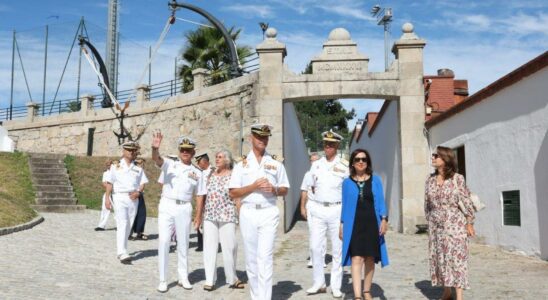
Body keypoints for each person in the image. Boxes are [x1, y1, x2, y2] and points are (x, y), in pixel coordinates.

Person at [229, 123, 290, 300]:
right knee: (251, 259)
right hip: (248, 212)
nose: (263, 140)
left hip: (268, 211)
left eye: (265, 137)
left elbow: (285, 188)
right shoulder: (241, 164)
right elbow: (233, 192)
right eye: (259, 137)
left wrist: (275, 189)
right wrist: (253, 186)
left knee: (265, 258)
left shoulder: (275, 163)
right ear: (251, 139)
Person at [152, 131, 207, 293]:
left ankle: (183, 277)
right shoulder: (170, 163)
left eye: (188, 150)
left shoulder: (198, 172)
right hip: (167, 205)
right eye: (182, 149)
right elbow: (157, 159)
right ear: (178, 150)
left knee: (183, 243)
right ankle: (163, 279)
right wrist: (155, 148)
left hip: (184, 207)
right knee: (164, 241)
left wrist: (198, 216)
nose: (185, 152)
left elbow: (200, 195)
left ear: (193, 152)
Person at [424, 146, 476, 300]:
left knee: (457, 259)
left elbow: (467, 201)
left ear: (445, 159)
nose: (433, 158)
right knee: (441, 258)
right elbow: (426, 203)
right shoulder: (430, 180)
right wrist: (430, 221)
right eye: (433, 155)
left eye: (436, 156)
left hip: (455, 226)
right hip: (436, 226)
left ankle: (459, 296)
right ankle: (447, 292)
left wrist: (469, 222)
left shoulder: (457, 178)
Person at [340, 149, 389, 300]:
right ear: (352, 163)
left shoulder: (376, 180)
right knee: (356, 258)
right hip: (354, 225)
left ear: (367, 162)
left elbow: (381, 201)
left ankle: (366, 291)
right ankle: (357, 295)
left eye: (364, 159)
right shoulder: (346, 183)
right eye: (357, 159)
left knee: (369, 258)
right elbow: (345, 205)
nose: (361, 162)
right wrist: (341, 224)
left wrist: (384, 219)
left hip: (371, 224)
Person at [306, 130, 348, 298]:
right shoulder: (316, 164)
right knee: (315, 247)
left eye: (331, 145)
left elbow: (348, 191)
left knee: (337, 249)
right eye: (325, 144)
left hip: (337, 210)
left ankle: (336, 285)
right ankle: (319, 282)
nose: (328, 147)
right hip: (318, 209)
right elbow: (311, 185)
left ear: (337, 146)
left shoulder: (344, 166)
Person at [197, 149, 244, 291]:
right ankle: (210, 280)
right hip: (210, 215)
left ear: (227, 160)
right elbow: (202, 194)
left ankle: (232, 278)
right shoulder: (210, 174)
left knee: (229, 247)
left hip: (227, 215)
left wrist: (241, 214)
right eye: (216, 157)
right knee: (209, 247)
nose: (217, 159)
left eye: (220, 157)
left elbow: (236, 197)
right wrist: (199, 215)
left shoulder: (233, 175)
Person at [104, 141, 149, 264]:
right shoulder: (116, 165)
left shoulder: (138, 167)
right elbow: (109, 183)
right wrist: (107, 199)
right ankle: (122, 252)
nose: (132, 152)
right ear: (123, 151)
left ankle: (123, 249)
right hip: (119, 197)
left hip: (133, 198)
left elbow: (143, 183)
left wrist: (139, 192)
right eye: (129, 150)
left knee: (128, 224)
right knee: (122, 223)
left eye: (134, 150)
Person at [299, 153, 326, 268]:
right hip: (312, 206)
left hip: (323, 206)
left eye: (315, 160)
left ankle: (322, 259)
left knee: (323, 234)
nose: (313, 163)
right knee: (313, 232)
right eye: (311, 161)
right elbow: (304, 191)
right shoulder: (307, 175)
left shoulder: (326, 174)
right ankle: (313, 258)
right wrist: (302, 207)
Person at [194, 152, 213, 252]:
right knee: (199, 221)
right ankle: (200, 244)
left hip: (210, 201)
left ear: (205, 161)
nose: (198, 164)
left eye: (199, 162)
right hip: (201, 199)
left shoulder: (213, 171)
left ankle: (209, 244)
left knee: (209, 224)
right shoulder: (199, 172)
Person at [131, 157, 148, 240]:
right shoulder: (135, 170)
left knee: (141, 214)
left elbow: (143, 183)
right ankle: (131, 232)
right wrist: (138, 192)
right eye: (141, 163)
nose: (143, 165)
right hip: (133, 194)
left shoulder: (140, 171)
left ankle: (139, 232)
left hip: (138, 194)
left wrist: (139, 192)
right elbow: (142, 184)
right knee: (133, 214)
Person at [95, 159, 114, 231]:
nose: (108, 165)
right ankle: (101, 225)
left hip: (117, 193)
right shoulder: (105, 173)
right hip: (108, 192)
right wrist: (109, 187)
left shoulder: (116, 172)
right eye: (107, 164)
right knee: (105, 208)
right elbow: (104, 183)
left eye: (109, 164)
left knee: (119, 210)